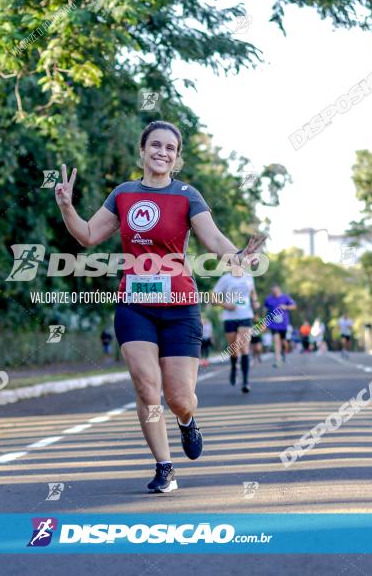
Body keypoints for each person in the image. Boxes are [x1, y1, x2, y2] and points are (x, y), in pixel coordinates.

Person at [55, 120, 264, 494]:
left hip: (180, 307)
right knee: (146, 387)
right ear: (142, 151)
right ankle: (165, 467)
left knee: (179, 398)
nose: (162, 152)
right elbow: (86, 235)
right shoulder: (123, 194)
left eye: (170, 148)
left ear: (177, 157)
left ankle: (187, 421)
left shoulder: (187, 195)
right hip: (135, 306)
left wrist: (237, 256)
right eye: (155, 145)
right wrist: (67, 207)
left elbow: (213, 237)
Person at [213, 270, 259, 393]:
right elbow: (213, 296)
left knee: (244, 348)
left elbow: (253, 292)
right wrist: (225, 305)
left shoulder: (249, 277)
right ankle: (233, 366)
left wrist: (255, 302)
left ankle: (245, 381)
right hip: (230, 317)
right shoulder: (225, 278)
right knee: (233, 348)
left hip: (246, 316)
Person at [263, 284, 296, 367]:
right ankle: (278, 360)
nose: (275, 293)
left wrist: (286, 307)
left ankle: (284, 352)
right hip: (273, 324)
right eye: (273, 292)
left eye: (276, 291)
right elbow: (265, 310)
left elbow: (294, 306)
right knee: (276, 341)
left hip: (283, 324)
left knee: (284, 342)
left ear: (279, 290)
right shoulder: (268, 299)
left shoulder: (285, 298)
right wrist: (264, 322)